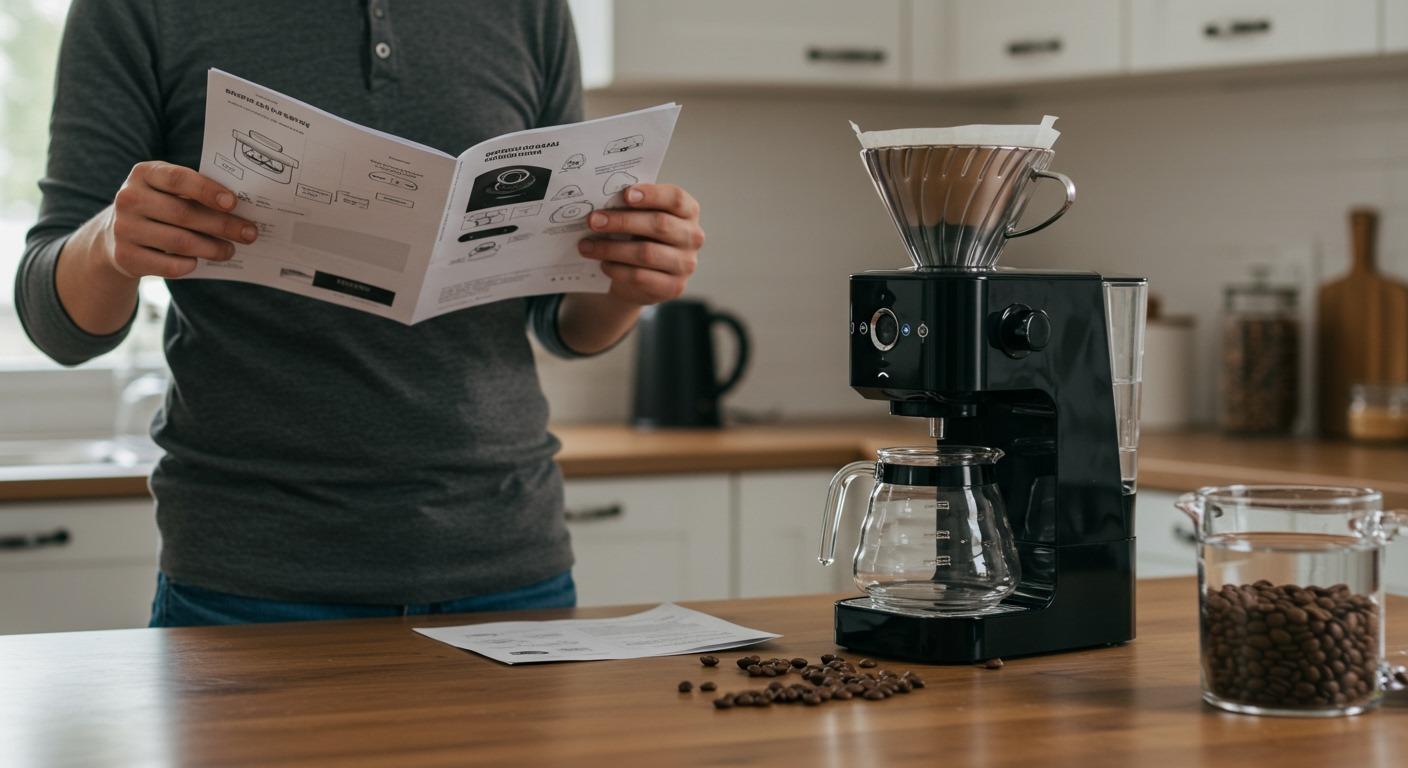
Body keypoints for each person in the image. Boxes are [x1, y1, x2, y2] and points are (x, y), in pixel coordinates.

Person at [15, 1, 704, 626]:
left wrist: (626, 283)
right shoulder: (136, 10)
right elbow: (57, 325)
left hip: (511, 568)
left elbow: (559, 318)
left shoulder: (530, 10)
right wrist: (108, 243)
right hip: (249, 585)